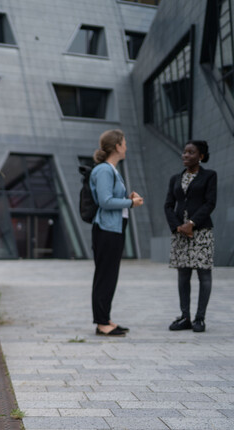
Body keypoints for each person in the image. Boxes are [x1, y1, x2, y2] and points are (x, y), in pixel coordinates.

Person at [89, 129, 144, 337]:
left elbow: (111, 198)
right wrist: (131, 202)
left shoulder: (110, 169)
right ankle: (102, 323)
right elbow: (105, 201)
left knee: (109, 275)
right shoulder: (104, 170)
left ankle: (106, 319)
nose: (126, 147)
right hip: (106, 230)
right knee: (105, 276)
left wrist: (126, 198)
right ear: (118, 146)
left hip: (113, 229)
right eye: (124, 143)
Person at [164, 140, 217, 333]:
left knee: (204, 275)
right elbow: (168, 205)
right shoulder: (175, 178)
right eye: (184, 152)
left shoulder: (210, 176)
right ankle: (184, 317)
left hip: (201, 232)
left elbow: (210, 203)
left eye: (190, 152)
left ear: (200, 156)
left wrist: (192, 223)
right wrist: (178, 227)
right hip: (180, 233)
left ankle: (199, 319)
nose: (185, 155)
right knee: (183, 275)